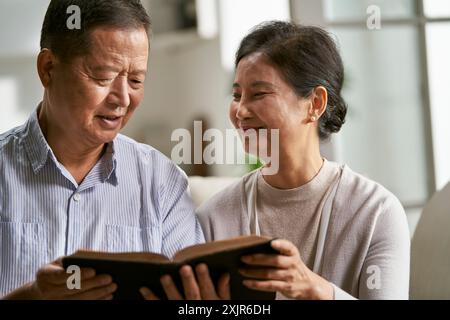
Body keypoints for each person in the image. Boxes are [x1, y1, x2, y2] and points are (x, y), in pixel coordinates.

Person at [141, 21, 410, 300]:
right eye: (236, 95)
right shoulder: (214, 217)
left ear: (315, 103)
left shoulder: (376, 212)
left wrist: (317, 290)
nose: (240, 110)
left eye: (259, 94)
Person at [0, 0, 204, 299]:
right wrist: (33, 296)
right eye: (103, 76)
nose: (122, 98)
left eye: (135, 80)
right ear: (48, 68)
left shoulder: (162, 182)